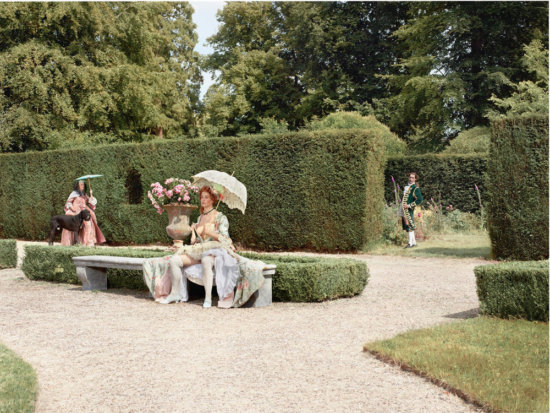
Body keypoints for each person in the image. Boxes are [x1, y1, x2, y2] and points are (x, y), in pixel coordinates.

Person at [142, 185, 266, 308]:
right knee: (175, 260)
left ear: (213, 199)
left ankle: (208, 298)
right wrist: (194, 233)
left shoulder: (220, 217)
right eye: (202, 197)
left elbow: (227, 240)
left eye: (206, 197)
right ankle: (174, 294)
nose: (203, 200)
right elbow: (195, 243)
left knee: (206, 259)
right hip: (200, 250)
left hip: (215, 250)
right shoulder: (200, 217)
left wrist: (212, 232)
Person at [60, 180, 106, 247]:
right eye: (81, 184)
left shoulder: (84, 194)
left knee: (89, 223)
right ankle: (70, 243)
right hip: (75, 210)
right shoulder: (74, 193)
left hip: (84, 211)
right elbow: (68, 203)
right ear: (77, 185)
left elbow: (91, 203)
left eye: (83, 185)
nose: (83, 186)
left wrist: (91, 195)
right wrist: (72, 208)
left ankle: (87, 242)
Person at [399, 172, 423, 248]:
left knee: (409, 225)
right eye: (410, 177)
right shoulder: (407, 187)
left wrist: (409, 205)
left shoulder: (415, 188)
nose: (411, 179)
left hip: (408, 208)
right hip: (402, 207)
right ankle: (414, 243)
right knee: (407, 225)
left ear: (415, 179)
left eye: (412, 177)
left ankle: (410, 243)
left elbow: (420, 199)